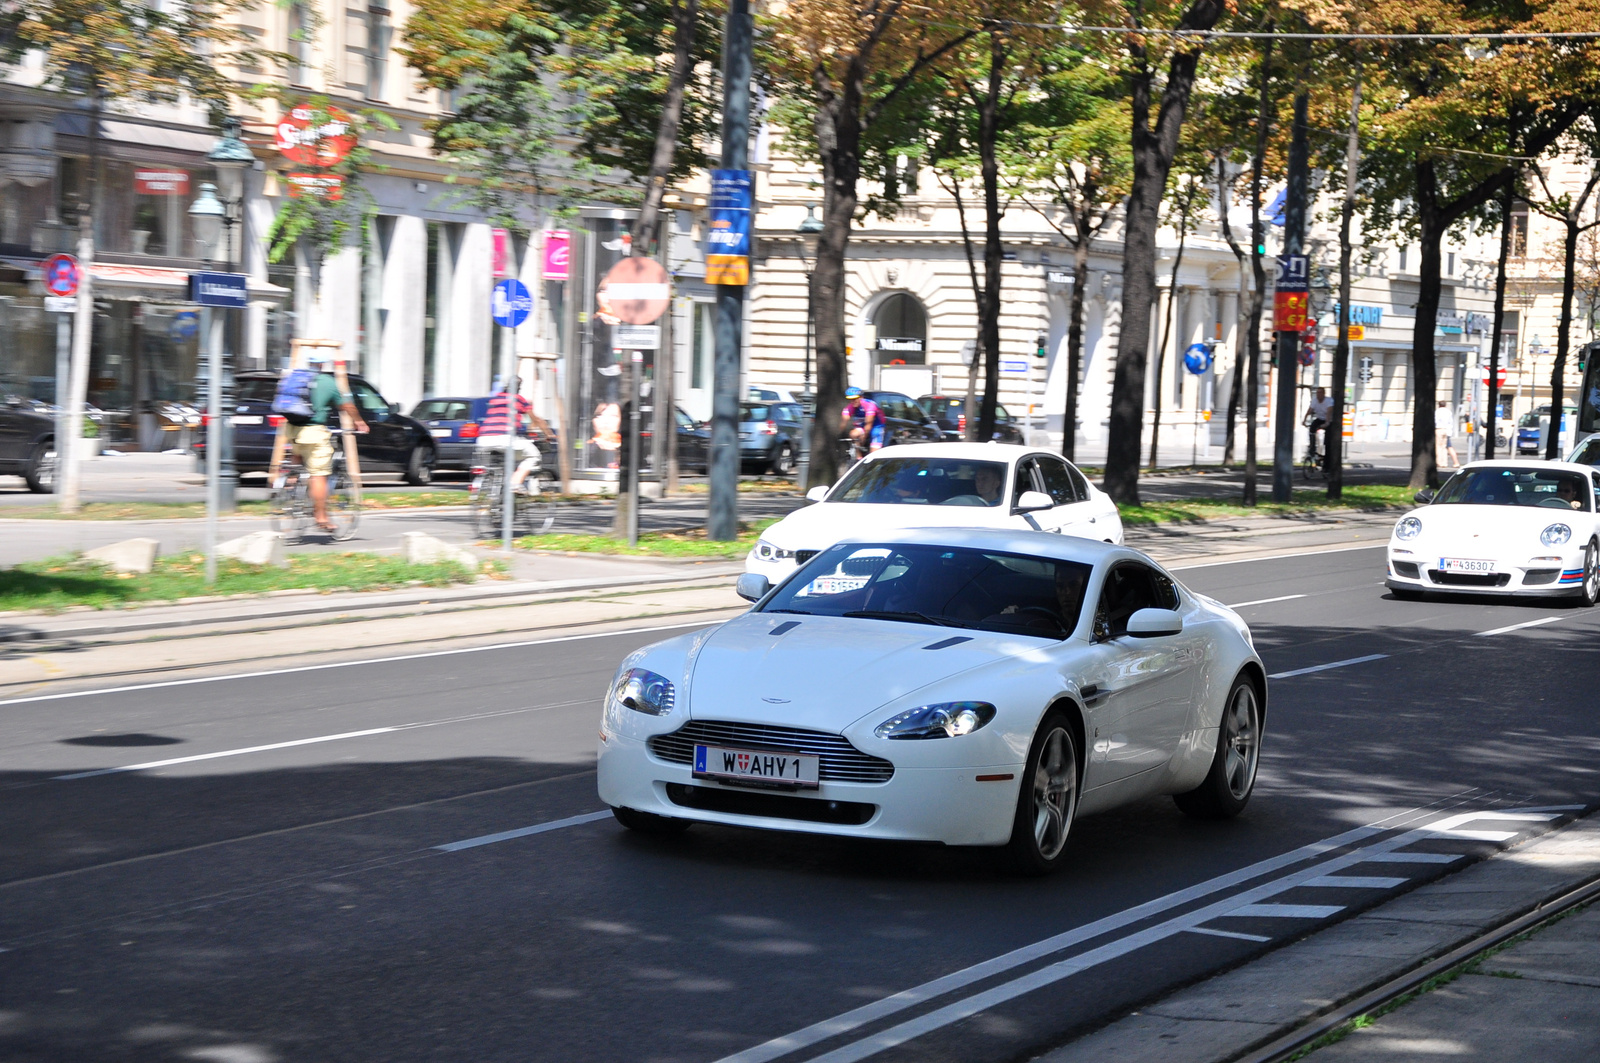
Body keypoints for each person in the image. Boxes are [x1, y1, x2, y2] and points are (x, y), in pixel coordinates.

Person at [287, 353, 367, 534]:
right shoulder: (327, 381)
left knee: (298, 456)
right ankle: (321, 517)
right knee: (319, 475)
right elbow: (347, 406)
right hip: (313, 432)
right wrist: (359, 422)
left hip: (291, 429)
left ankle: (290, 485)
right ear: (323, 364)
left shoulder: (295, 376)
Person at [477, 382, 550, 495]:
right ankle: (515, 484)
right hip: (504, 438)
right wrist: (548, 434)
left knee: (504, 463)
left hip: (483, 439)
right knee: (533, 455)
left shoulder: (494, 399)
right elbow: (536, 420)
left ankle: (499, 494)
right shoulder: (518, 399)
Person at [841, 387, 884, 455]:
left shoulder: (870, 405)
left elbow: (869, 424)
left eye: (855, 399)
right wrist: (839, 434)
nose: (852, 401)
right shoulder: (850, 406)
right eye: (850, 399)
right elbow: (843, 422)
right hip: (863, 425)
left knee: (874, 453)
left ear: (861, 397)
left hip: (876, 425)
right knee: (853, 434)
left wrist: (864, 437)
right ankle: (859, 458)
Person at [1302, 387, 1334, 457]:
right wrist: (1304, 420)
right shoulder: (1315, 401)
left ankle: (1327, 457)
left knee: (1328, 439)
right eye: (1317, 393)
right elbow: (1309, 410)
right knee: (1312, 428)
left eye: (1320, 393)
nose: (1318, 395)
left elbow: (1329, 412)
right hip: (1320, 419)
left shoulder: (1328, 401)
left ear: (1323, 394)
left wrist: (1327, 423)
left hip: (1329, 420)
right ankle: (1312, 448)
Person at [1436, 399, 1460, 469]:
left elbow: (1436, 421)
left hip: (1439, 428)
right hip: (1446, 430)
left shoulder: (1437, 411)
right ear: (1445, 405)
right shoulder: (1448, 412)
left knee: (1438, 447)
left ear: (1439, 405)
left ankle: (1439, 462)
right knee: (1444, 447)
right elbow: (1450, 422)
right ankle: (1444, 463)